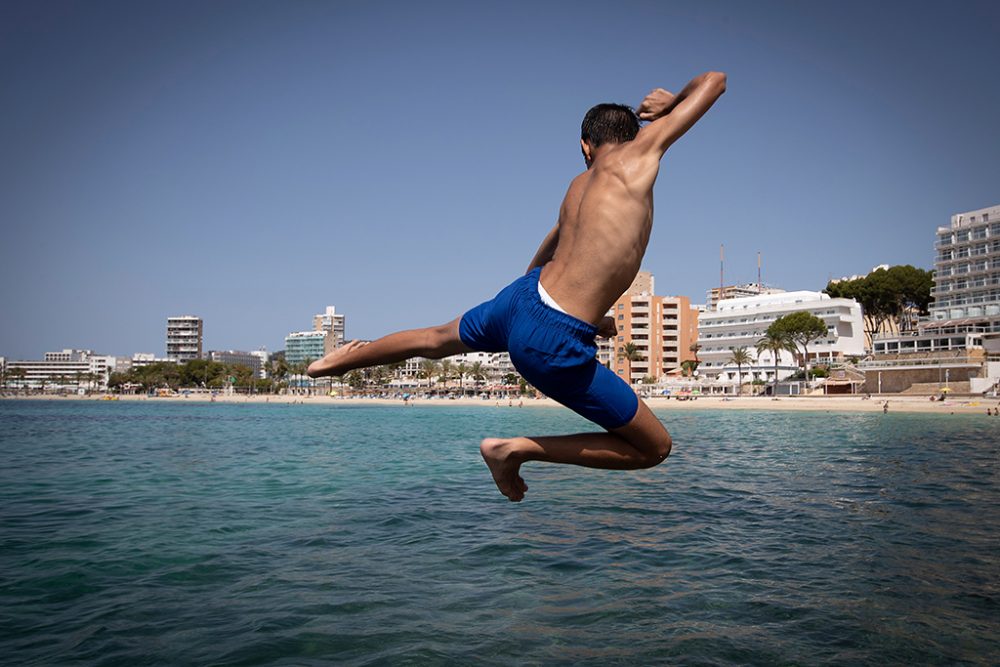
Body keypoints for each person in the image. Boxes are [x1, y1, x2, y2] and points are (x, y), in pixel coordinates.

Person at [308, 72, 728, 501]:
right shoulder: (639, 153)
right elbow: (715, 80)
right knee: (654, 448)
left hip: (521, 299)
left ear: (585, 146)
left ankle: (336, 363)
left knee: (435, 338)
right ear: (632, 135)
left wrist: (534, 300)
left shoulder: (578, 186)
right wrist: (671, 102)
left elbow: (555, 242)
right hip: (552, 336)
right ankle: (514, 450)